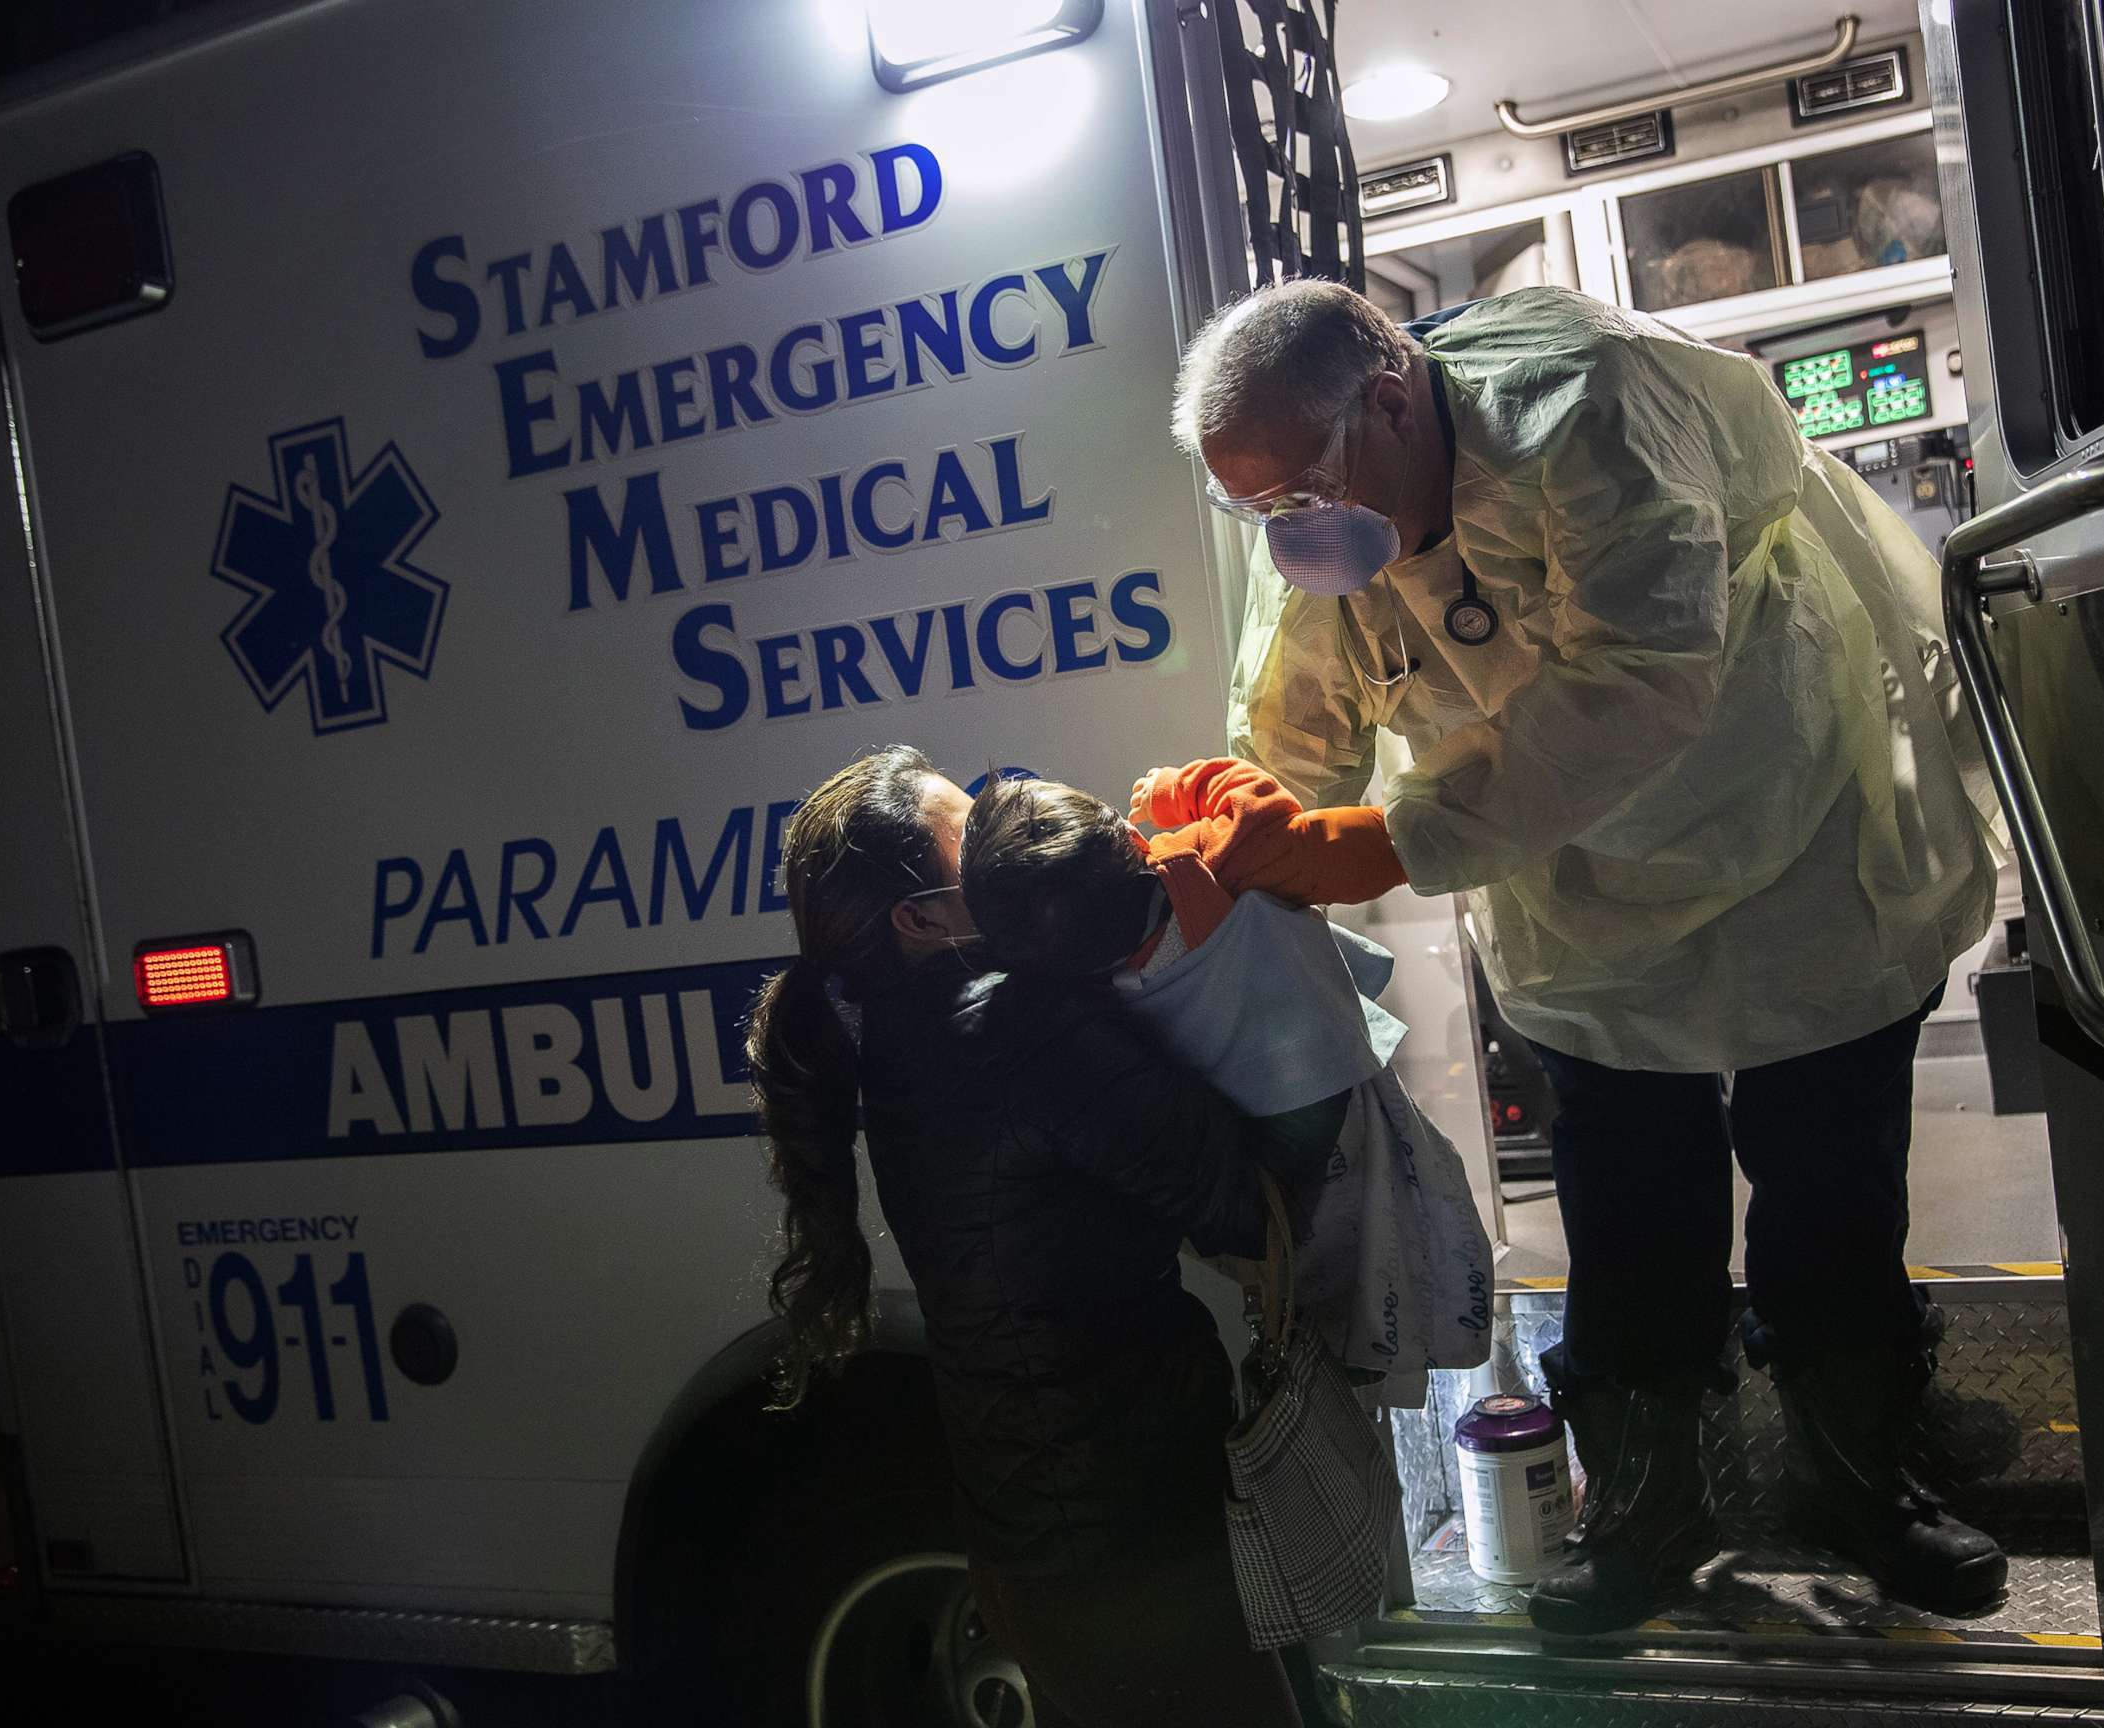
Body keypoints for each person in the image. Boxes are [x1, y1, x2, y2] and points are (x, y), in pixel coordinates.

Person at [1173, 281, 2009, 1628]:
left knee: (1830, 1192)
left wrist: (1388, 843)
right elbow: (1300, 712)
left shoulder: (1597, 410)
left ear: (1390, 398)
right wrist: (1253, 814)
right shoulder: (1328, 517)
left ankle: (1862, 1486)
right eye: (1254, 512)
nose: (1291, 534)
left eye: (1299, 494)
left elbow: (1642, 681)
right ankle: (1650, 1515)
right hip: (1575, 894)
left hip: (1788, 836)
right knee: (1627, 1215)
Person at [749, 745, 1339, 1726]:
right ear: (922, 918)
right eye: (968, 833)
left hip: (1037, 1548)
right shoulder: (1021, 1031)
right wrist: (1266, 960)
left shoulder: (899, 1041)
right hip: (1131, 1553)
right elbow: (1247, 1199)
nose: (995, 833)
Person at [957, 759, 1492, 1386]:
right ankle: (1421, 1331)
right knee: (1410, 1185)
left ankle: (1356, 1345)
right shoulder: (1212, 862)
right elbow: (1262, 805)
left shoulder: (1078, 996)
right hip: (1327, 1080)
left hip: (1255, 1139)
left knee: (1324, 1241)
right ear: (1133, 845)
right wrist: (1171, 789)